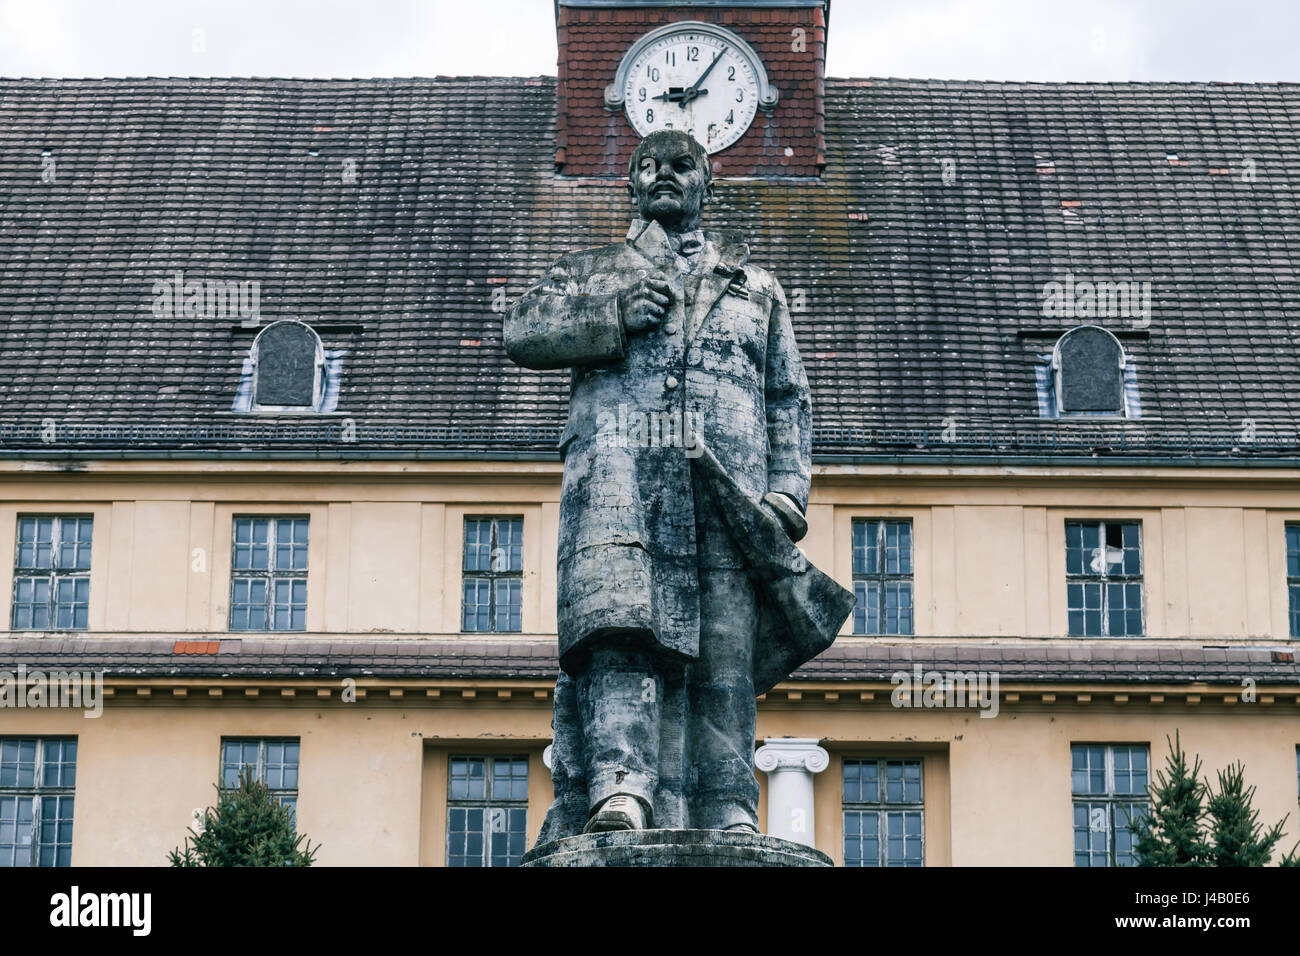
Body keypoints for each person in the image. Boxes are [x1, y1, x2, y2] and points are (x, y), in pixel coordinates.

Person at [506, 129, 845, 838]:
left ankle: (729, 804)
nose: (664, 174)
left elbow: (788, 397)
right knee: (622, 630)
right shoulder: (595, 269)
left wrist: (787, 492)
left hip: (727, 489)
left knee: (725, 644)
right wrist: (610, 316)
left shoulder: (757, 288)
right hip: (620, 484)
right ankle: (621, 790)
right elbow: (522, 330)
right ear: (632, 185)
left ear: (705, 185)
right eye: (647, 165)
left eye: (681, 164)